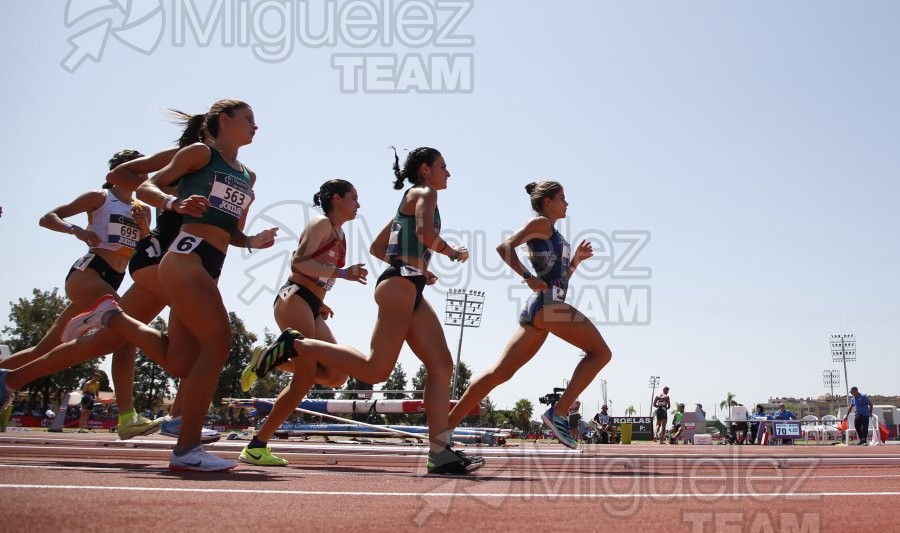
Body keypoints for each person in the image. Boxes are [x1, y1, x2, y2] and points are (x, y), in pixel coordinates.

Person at [61, 99, 276, 472]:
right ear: (225, 121)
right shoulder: (198, 153)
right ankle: (187, 447)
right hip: (184, 256)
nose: (256, 126)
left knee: (181, 361)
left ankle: (112, 317)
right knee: (219, 342)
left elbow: (231, 231)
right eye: (249, 119)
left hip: (212, 261)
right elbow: (147, 185)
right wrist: (173, 203)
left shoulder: (247, 175)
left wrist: (252, 241)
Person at [248, 147, 485, 475]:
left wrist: (416, 267)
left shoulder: (409, 199)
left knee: (442, 364)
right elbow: (425, 234)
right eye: (444, 166)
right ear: (427, 169)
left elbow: (377, 247)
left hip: (407, 283)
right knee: (375, 371)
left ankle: (440, 452)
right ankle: (295, 345)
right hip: (399, 286)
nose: (449, 172)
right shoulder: (425, 193)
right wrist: (451, 252)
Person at [0, 114, 226, 443]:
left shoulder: (222, 168)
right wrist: (164, 197)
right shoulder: (187, 155)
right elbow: (117, 175)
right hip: (122, 268)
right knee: (202, 338)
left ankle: (9, 381)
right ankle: (176, 419)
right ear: (214, 128)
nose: (253, 127)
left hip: (157, 263)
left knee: (101, 342)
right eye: (244, 120)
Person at [442, 180, 611, 450]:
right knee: (601, 353)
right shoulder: (541, 224)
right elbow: (504, 247)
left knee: (500, 372)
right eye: (562, 198)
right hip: (546, 306)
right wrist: (527, 277)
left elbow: (560, 280)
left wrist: (576, 261)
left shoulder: (552, 232)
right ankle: (559, 412)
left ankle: (445, 426)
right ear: (547, 202)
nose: (567, 203)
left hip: (542, 308)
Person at [0, 150, 150, 412]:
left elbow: (142, 248)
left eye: (145, 170)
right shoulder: (99, 198)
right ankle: (128, 414)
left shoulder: (142, 209)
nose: (144, 174)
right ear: (121, 171)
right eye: (138, 169)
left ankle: (3, 378)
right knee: (126, 325)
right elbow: (48, 218)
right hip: (88, 273)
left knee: (42, 349)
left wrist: (145, 229)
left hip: (113, 280)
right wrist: (76, 230)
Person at [237, 179, 367, 467]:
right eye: (354, 198)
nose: (359, 204)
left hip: (310, 304)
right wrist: (343, 273)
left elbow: (319, 274)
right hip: (293, 298)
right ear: (336, 199)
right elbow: (298, 264)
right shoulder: (320, 224)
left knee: (336, 375)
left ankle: (267, 362)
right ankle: (257, 446)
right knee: (305, 378)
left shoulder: (341, 234)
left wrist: (320, 301)